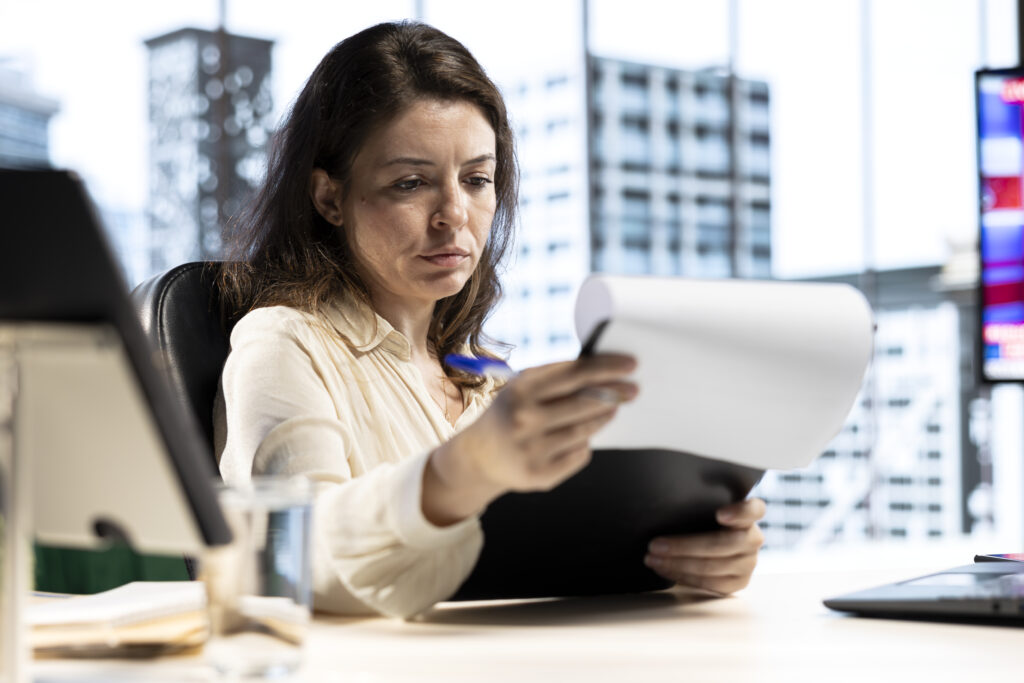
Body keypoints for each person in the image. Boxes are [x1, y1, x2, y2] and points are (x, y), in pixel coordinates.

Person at [215, 20, 766, 619]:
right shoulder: (282, 343)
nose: (454, 214)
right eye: (410, 183)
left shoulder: (487, 382)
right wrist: (463, 470)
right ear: (329, 198)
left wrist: (685, 561)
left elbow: (549, 565)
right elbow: (292, 560)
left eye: (477, 180)